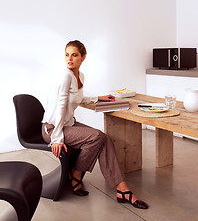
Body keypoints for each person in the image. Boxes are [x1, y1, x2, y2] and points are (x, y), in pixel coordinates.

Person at [41, 40, 148, 209]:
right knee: (96, 136)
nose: (69, 59)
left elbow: (77, 98)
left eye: (74, 55)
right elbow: (61, 105)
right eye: (67, 55)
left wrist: (99, 98)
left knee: (104, 138)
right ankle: (76, 174)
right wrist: (57, 138)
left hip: (68, 125)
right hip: (53, 128)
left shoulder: (79, 76)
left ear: (83, 58)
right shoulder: (65, 76)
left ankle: (122, 189)